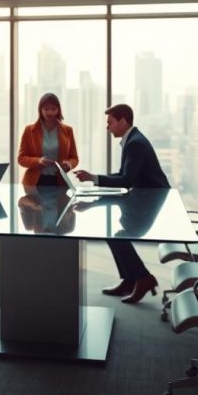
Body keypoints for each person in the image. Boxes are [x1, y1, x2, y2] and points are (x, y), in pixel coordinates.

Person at [74, 104, 168, 304]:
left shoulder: (135, 144)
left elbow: (126, 181)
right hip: (145, 197)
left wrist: (94, 179)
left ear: (123, 121)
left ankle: (143, 278)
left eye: (110, 123)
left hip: (149, 200)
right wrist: (94, 181)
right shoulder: (133, 140)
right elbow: (125, 176)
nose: (108, 128)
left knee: (118, 236)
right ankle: (131, 279)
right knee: (116, 236)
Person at [17, 92, 79, 187]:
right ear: (40, 110)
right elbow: (21, 159)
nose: (50, 112)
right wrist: (38, 161)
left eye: (53, 109)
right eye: (46, 109)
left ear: (58, 110)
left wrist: (69, 165)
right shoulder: (29, 130)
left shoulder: (68, 130)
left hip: (59, 182)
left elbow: (74, 158)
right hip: (34, 182)